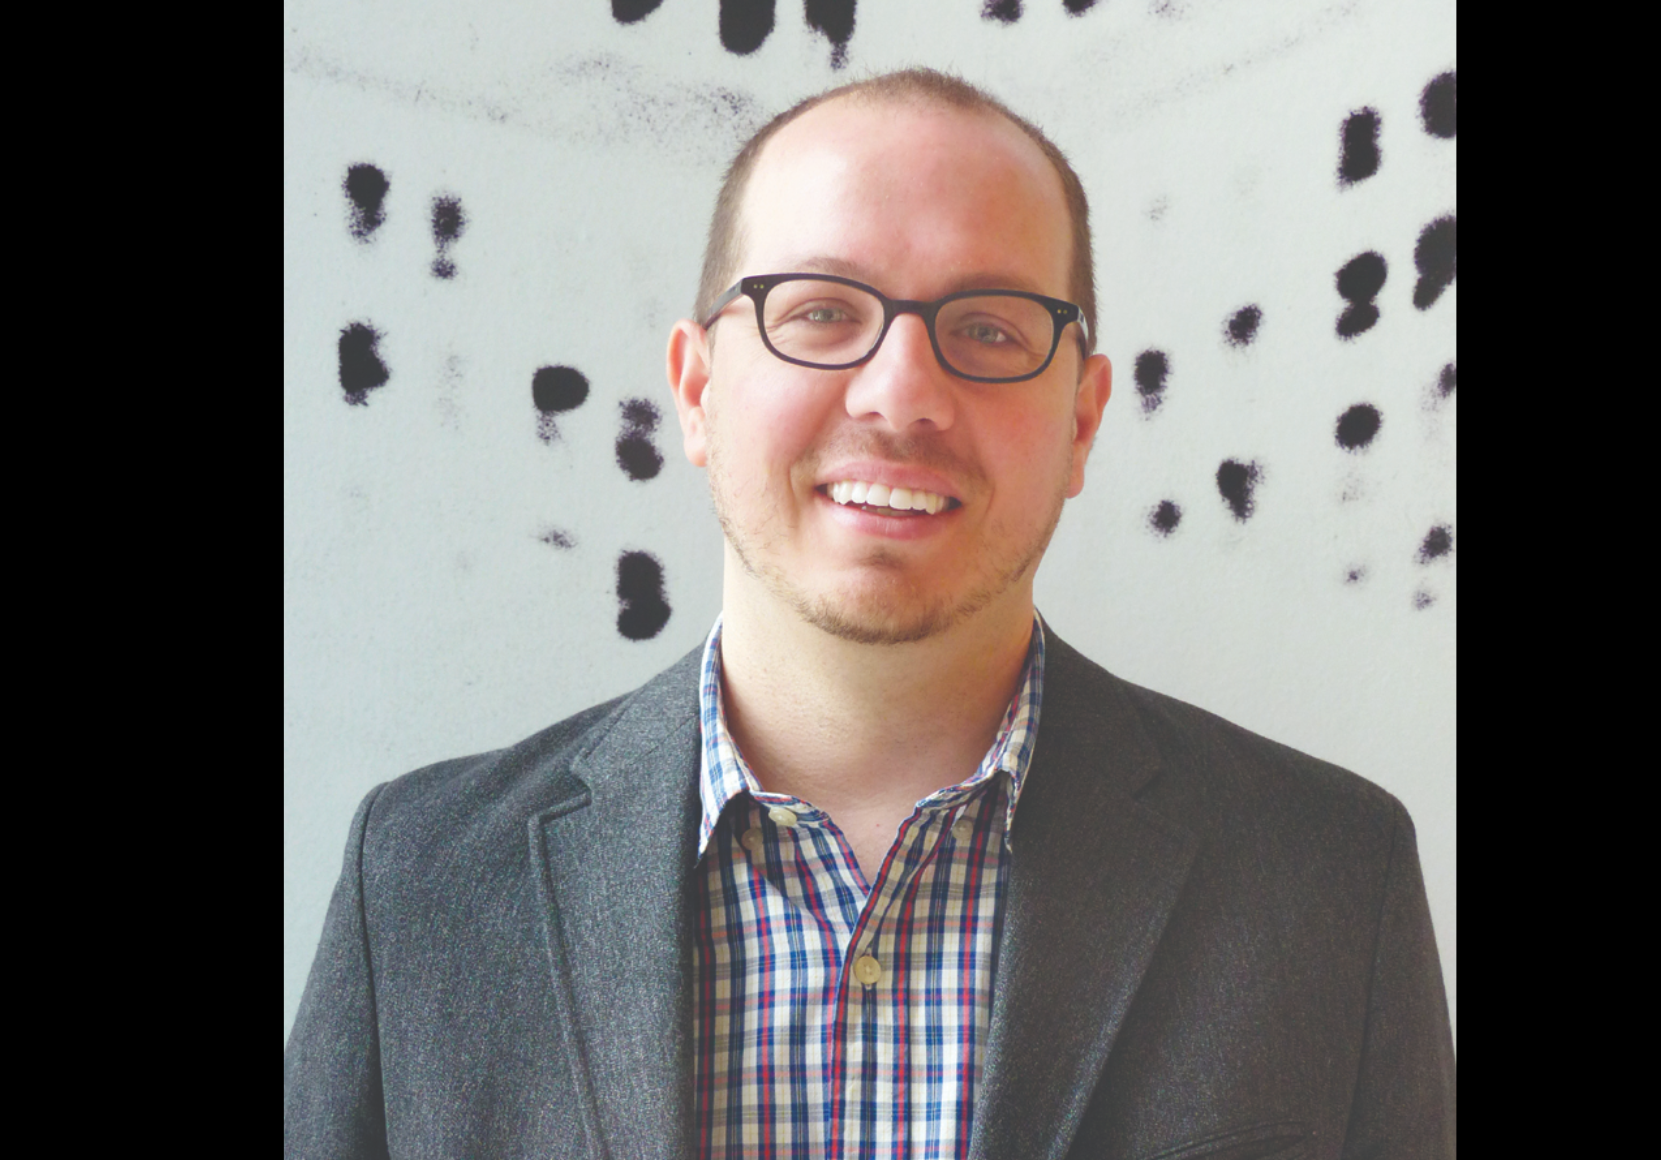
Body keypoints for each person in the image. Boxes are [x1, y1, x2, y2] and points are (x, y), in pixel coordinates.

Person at [285, 68, 1455, 1159]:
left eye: (990, 326)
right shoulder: (425, 880)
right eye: (821, 311)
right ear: (696, 391)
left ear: (1085, 421)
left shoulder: (1328, 879)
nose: (901, 393)